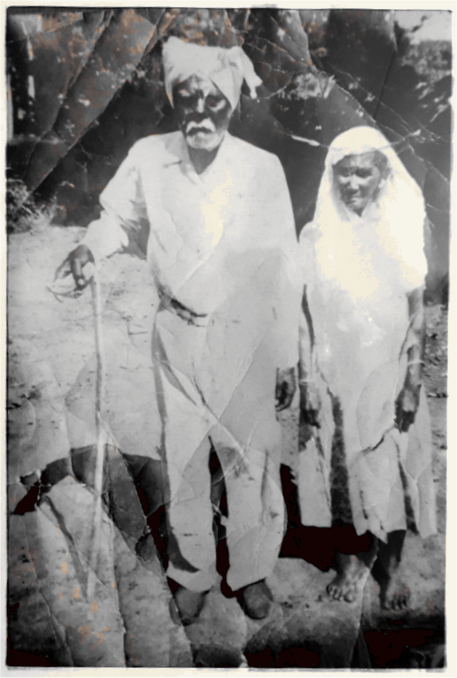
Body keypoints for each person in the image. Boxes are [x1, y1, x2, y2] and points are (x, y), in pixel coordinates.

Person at [55, 36, 302, 623]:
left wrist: (288, 355)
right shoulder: (148, 157)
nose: (200, 112)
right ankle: (193, 571)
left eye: (214, 101)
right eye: (188, 98)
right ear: (175, 100)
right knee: (185, 456)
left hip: (245, 335)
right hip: (176, 333)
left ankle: (251, 570)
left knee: (248, 461)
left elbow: (285, 266)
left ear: (232, 104)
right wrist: (90, 248)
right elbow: (117, 220)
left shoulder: (261, 168)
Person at [298, 126, 436, 608]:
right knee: (336, 468)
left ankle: (390, 570)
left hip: (389, 374)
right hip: (334, 376)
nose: (352, 182)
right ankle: (347, 563)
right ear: (331, 175)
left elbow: (418, 313)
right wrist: (308, 380)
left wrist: (412, 382)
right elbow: (304, 315)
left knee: (387, 469)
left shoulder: (401, 229)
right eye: (344, 172)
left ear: (382, 174)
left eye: (363, 172)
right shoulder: (315, 235)